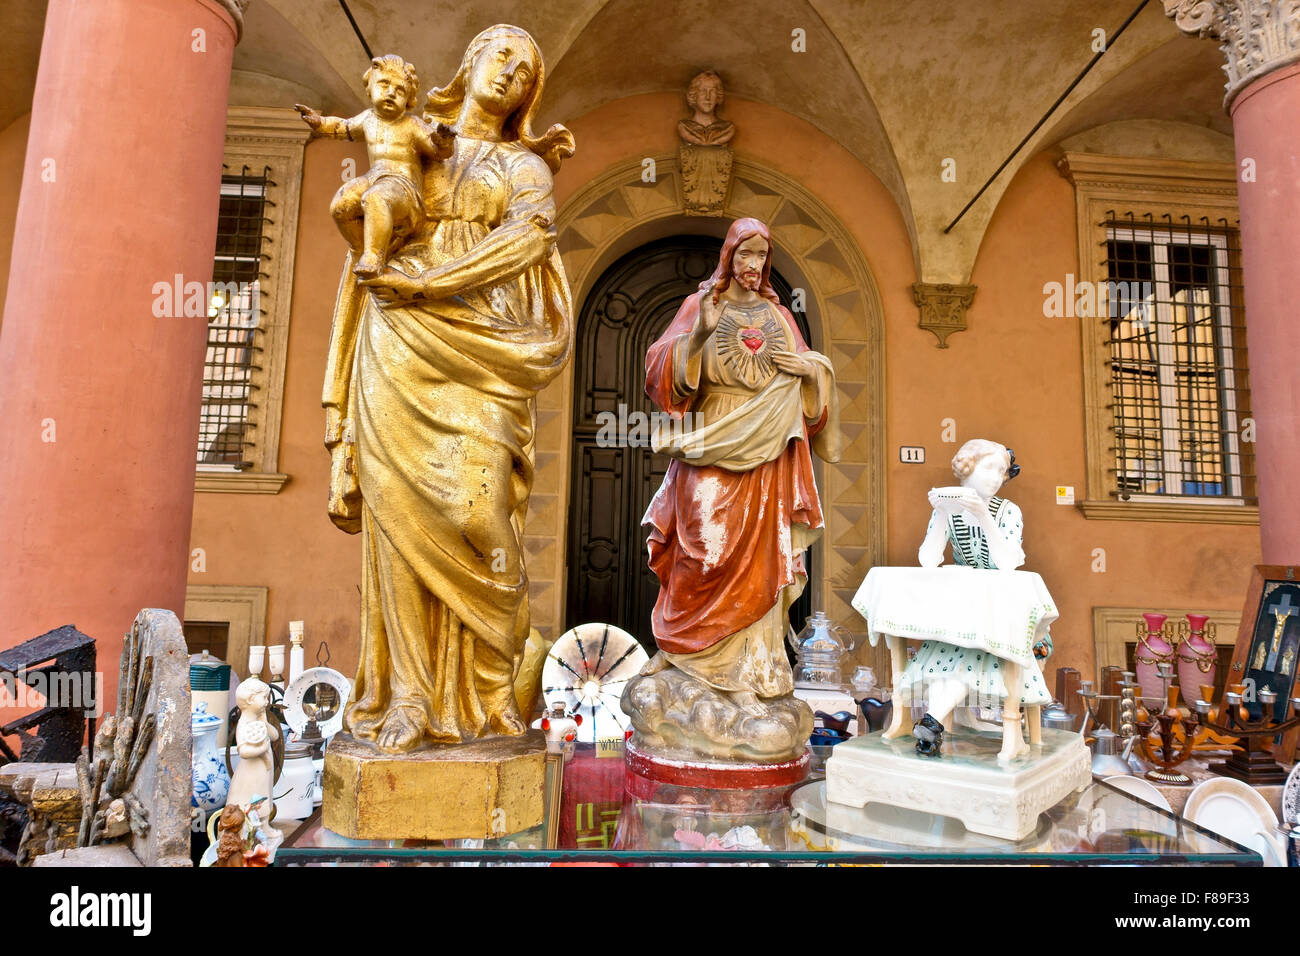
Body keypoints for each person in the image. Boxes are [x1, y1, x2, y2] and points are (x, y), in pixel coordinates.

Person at [323, 25, 575, 753]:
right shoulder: (406, 138)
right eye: (501, 56)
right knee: (398, 522)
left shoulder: (526, 167)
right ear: (467, 63)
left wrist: (433, 281)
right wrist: (339, 421)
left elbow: (528, 239)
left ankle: (493, 691)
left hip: (482, 342)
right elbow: (357, 270)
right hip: (395, 339)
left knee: (481, 513)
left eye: (525, 71)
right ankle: (410, 699)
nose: (510, 75)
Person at [639, 217, 839, 716]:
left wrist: (809, 371)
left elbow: (813, 379)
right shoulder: (700, 304)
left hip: (766, 446)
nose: (751, 265)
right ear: (729, 257)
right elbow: (659, 374)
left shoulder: (778, 315)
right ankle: (682, 652)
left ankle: (746, 670)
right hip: (712, 435)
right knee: (701, 549)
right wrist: (701, 332)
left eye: (759, 256)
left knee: (759, 556)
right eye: (743, 254)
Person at [900, 439, 1052, 756]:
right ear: (967, 467)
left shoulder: (1008, 511)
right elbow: (929, 560)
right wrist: (941, 513)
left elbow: (1008, 563)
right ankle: (931, 724)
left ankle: (931, 723)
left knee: (966, 652)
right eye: (989, 468)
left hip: (1006, 618)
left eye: (1002, 471)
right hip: (965, 613)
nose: (997, 477)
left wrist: (984, 516)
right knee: (951, 649)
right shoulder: (951, 512)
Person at [295, 55, 455, 279]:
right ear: (370, 88)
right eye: (384, 85)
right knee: (341, 203)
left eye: (400, 90)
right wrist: (319, 123)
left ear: (408, 99)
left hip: (404, 189)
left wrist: (443, 141)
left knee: (375, 198)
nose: (391, 93)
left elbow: (437, 151)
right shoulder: (368, 119)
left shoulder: (412, 124)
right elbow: (343, 127)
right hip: (374, 178)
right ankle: (360, 249)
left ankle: (374, 257)